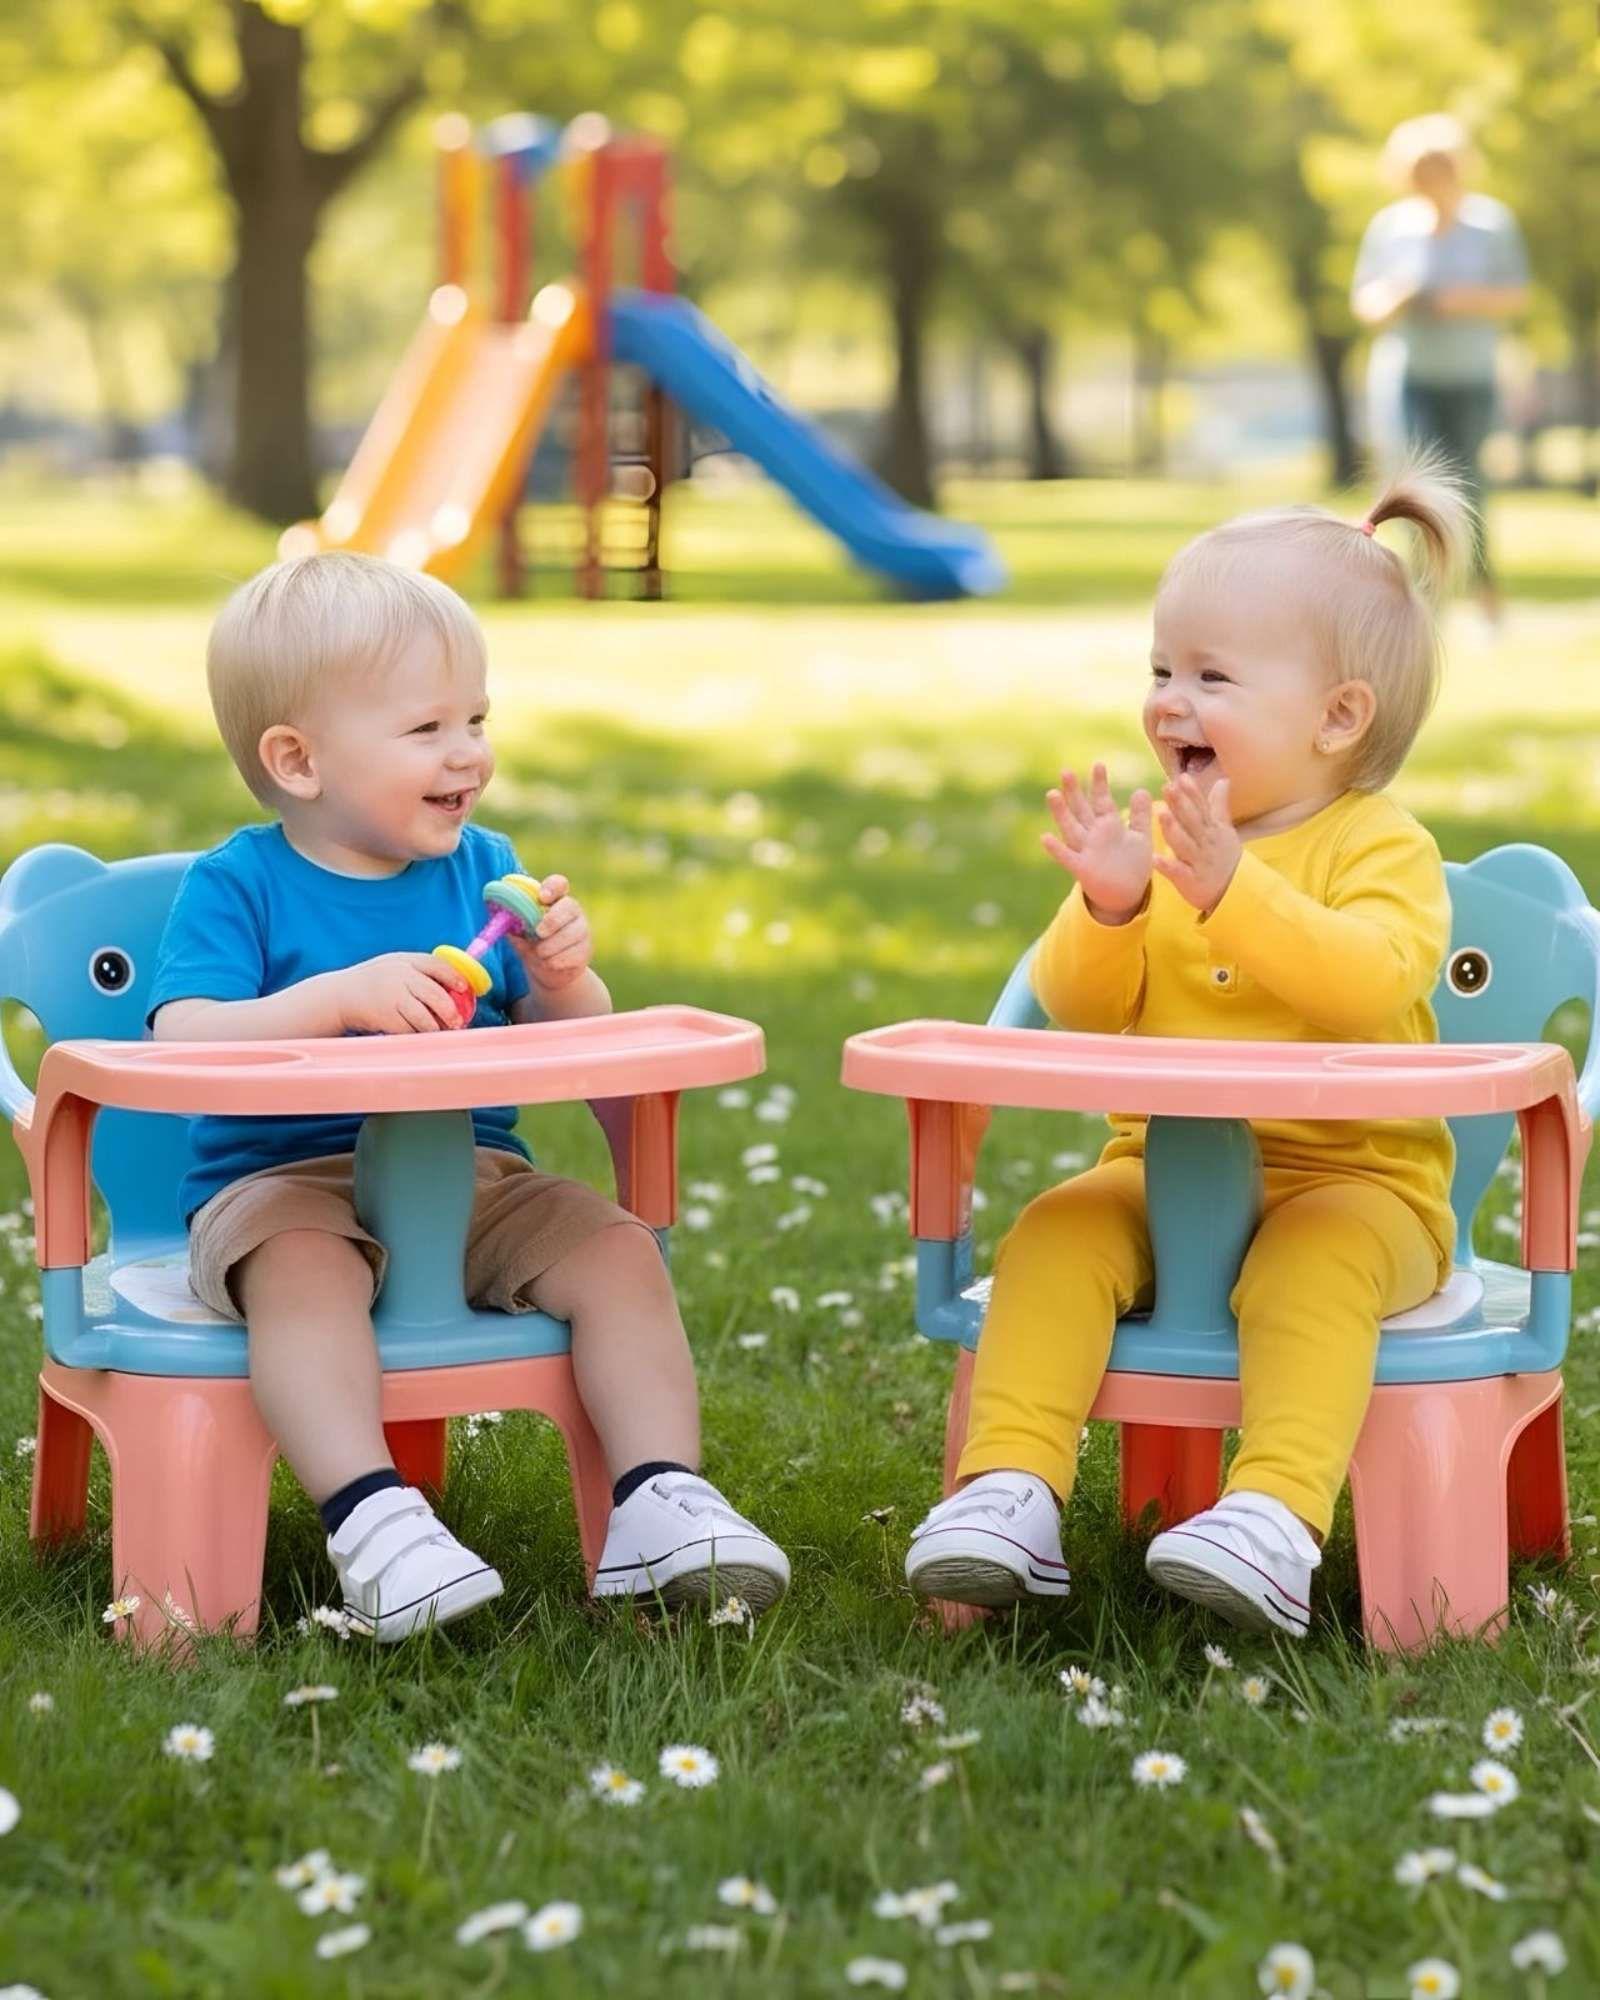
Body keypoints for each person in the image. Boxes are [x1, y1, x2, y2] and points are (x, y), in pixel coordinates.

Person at [148, 552, 789, 1641]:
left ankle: (658, 1498)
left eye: (477, 719)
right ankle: (372, 1518)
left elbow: (583, 1044)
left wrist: (561, 978)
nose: (470, 754)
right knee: (304, 1277)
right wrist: (334, 999)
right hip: (281, 1187)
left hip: (476, 1178)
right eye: (427, 728)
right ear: (298, 760)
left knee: (619, 1253)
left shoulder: (484, 868)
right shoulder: (238, 885)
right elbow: (182, 1036)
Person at [905, 464, 1469, 1636]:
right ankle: (1009, 1489)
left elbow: (1370, 981)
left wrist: (1232, 892)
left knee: (1308, 1267)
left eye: (1211, 677)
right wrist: (1110, 906)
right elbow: (1076, 1006)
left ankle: (1272, 1515)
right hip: (1160, 1173)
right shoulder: (1160, 843)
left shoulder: (1380, 846)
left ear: (1337, 718)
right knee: (1055, 1231)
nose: (1169, 702)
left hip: (1357, 1187)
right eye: (1160, 669)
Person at [1351, 113, 1529, 619]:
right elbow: (1364, 302)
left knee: (1469, 485)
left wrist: (1458, 300)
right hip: (1409, 377)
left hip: (1471, 376)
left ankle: (1484, 588)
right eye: (1420, 170)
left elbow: (1516, 295)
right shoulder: (1390, 227)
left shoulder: (1492, 225)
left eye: (1439, 168)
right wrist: (1397, 296)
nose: (1430, 179)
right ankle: (1423, 601)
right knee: (1413, 487)